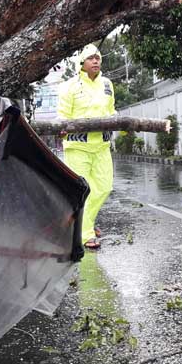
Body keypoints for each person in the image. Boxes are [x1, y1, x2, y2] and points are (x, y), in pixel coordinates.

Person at [58, 44, 115, 250]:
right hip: (78, 146)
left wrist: (123, 124)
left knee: (104, 187)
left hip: (101, 145)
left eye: (98, 58)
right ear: (82, 63)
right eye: (91, 58)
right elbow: (63, 115)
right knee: (84, 190)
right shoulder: (69, 86)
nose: (96, 61)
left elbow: (111, 111)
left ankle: (85, 222)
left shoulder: (107, 84)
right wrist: (62, 127)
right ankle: (85, 233)